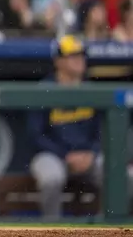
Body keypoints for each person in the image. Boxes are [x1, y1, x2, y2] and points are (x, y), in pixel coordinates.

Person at [27, 35, 133, 220]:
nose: (79, 60)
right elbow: (36, 135)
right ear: (58, 61)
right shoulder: (44, 89)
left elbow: (103, 130)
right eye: (72, 56)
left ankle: (105, 225)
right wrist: (64, 154)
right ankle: (52, 229)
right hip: (52, 154)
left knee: (123, 178)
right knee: (51, 179)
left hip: (88, 156)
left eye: (81, 55)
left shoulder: (91, 89)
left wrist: (91, 153)